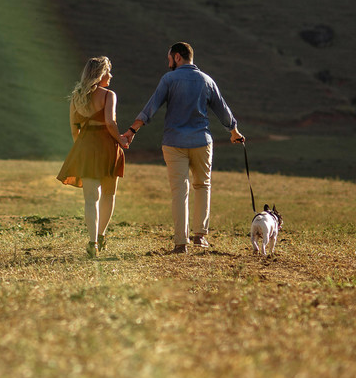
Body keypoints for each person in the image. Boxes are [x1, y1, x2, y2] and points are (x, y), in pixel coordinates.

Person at [127, 42, 244, 254]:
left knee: (180, 192)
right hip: (202, 141)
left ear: (178, 57)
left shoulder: (169, 79)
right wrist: (234, 131)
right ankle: (200, 236)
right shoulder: (207, 80)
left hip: (174, 143)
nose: (168, 62)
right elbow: (222, 110)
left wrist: (132, 131)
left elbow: (151, 106)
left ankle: (181, 243)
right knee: (202, 186)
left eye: (169, 58)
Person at [57, 56, 132, 258]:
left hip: (86, 146)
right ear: (101, 74)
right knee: (109, 194)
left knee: (91, 199)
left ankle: (92, 242)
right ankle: (102, 235)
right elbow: (110, 122)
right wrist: (122, 140)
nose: (111, 75)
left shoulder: (76, 97)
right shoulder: (109, 95)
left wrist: (81, 148)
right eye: (109, 71)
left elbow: (75, 129)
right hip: (107, 146)